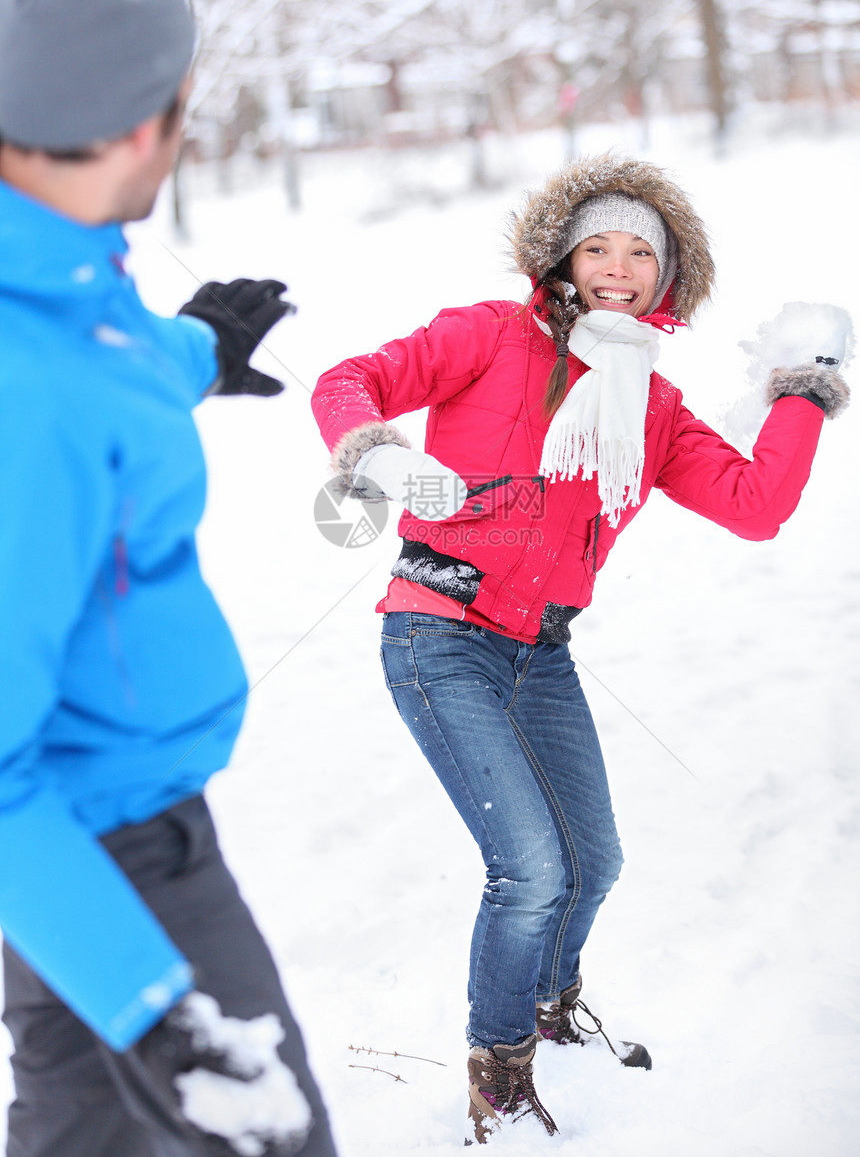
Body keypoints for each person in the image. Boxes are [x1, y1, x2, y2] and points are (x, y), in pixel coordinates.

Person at [311, 153, 851, 1145]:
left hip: (537, 653)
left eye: (637, 251)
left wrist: (800, 395)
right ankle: (499, 1076)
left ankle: (551, 1014)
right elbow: (352, 380)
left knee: (589, 862)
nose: (614, 265)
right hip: (437, 630)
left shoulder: (650, 406)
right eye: (594, 245)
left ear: (666, 274)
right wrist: (378, 452)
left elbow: (753, 504)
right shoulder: (484, 334)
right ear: (559, 255)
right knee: (528, 870)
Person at [0, 0, 338, 1157]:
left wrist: (199, 347)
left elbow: (103, 362)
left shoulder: (55, 282)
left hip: (70, 861)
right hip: (110, 865)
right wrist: (153, 1009)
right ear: (149, 121)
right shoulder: (30, 388)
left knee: (73, 1132)